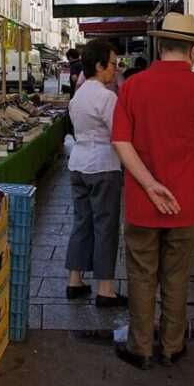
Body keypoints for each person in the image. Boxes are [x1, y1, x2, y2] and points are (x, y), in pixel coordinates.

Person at [111, 13, 194, 370]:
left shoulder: (132, 86)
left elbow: (121, 142)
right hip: (185, 200)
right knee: (177, 276)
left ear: (159, 45)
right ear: (192, 51)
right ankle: (171, 345)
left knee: (141, 276)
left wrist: (150, 184)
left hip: (143, 202)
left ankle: (140, 348)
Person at [64, 39, 126, 307]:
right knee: (105, 226)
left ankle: (74, 281)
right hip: (103, 166)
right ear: (100, 65)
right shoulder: (107, 97)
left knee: (82, 223)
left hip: (78, 164)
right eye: (113, 64)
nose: (116, 68)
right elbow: (119, 135)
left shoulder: (78, 97)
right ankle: (105, 288)